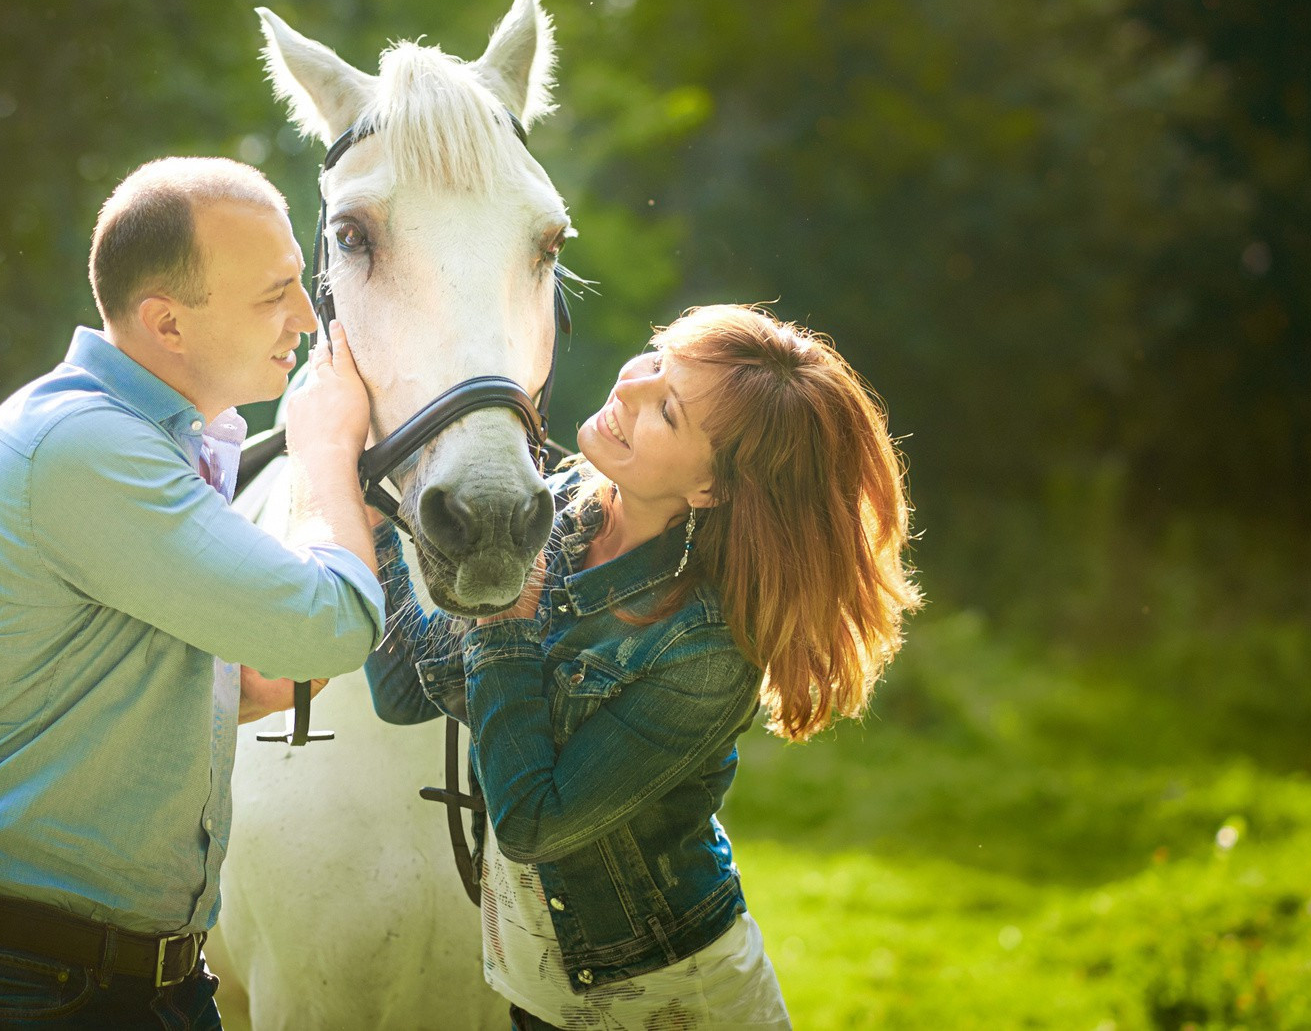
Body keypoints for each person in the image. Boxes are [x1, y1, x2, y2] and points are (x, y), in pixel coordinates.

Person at [0, 157, 383, 1030]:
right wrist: (323, 453)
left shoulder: (150, 440)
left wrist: (216, 690)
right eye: (274, 295)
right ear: (166, 323)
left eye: (301, 284)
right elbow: (330, 625)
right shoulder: (84, 445)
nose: (306, 317)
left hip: (141, 984)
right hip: (21, 986)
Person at [367, 303, 921, 1030]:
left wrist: (502, 618)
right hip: (536, 990)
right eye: (657, 360)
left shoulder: (708, 649)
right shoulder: (561, 511)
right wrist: (377, 522)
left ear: (711, 489)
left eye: (666, 409)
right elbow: (407, 688)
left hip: (666, 999)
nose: (629, 389)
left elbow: (533, 823)